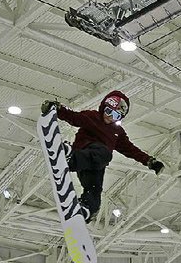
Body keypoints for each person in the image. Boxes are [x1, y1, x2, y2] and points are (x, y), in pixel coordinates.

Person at [42, 91, 165, 222]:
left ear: (120, 118)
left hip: (94, 166)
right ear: (102, 108)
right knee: (104, 152)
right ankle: (70, 157)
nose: (110, 117)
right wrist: (58, 109)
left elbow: (131, 150)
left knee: (95, 189)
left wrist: (149, 161)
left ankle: (87, 209)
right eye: (108, 111)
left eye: (116, 115)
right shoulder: (92, 117)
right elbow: (74, 117)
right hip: (84, 152)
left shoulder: (118, 133)